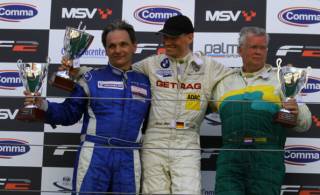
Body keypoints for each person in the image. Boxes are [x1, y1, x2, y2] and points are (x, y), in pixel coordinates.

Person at [24, 21, 151, 195]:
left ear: (134, 46)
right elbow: (68, 113)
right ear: (105, 50)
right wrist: (41, 104)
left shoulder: (146, 82)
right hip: (95, 155)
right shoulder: (91, 78)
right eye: (111, 46)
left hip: (129, 157)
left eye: (123, 44)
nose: (118, 50)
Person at [133, 15, 233, 194]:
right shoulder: (151, 64)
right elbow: (119, 71)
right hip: (155, 138)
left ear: (190, 37)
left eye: (174, 37)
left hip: (187, 138)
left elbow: (239, 78)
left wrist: (274, 74)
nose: (168, 42)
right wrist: (81, 71)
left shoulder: (208, 67)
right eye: (165, 37)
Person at [212, 26, 312, 195]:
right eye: (253, 47)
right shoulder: (223, 82)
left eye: (262, 47)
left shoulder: (283, 79)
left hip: (267, 157)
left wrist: (296, 114)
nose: (258, 52)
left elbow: (306, 123)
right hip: (230, 157)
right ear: (240, 50)